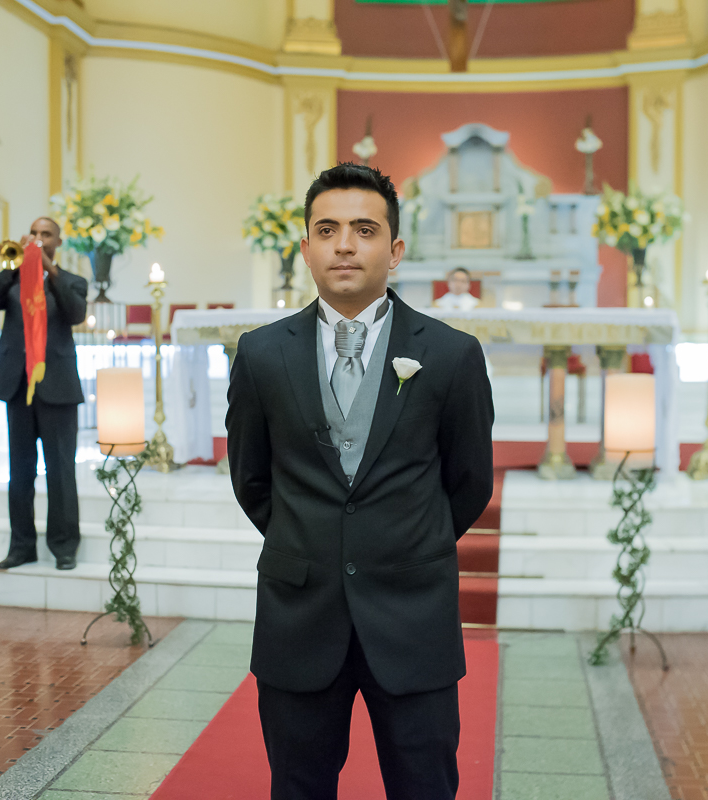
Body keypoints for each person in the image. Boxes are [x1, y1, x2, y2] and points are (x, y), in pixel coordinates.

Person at [226, 163, 494, 800]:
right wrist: (310, 539)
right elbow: (252, 479)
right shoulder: (261, 355)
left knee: (425, 788)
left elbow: (469, 483)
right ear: (306, 248)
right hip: (299, 617)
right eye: (327, 230)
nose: (344, 245)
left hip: (413, 617)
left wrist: (402, 543)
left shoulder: (451, 355)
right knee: (299, 787)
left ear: (394, 250)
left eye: (364, 230)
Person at [0, 217, 89, 571]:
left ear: (58, 242)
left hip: (57, 386)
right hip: (18, 386)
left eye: (46, 234)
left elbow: (76, 312)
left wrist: (48, 270)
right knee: (20, 471)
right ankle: (22, 546)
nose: (39, 239)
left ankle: (64, 546)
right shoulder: (12, 280)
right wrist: (14, 268)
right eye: (35, 233)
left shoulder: (72, 281)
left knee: (61, 471)